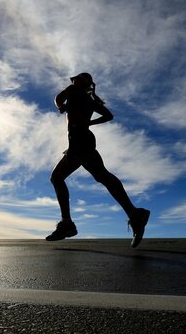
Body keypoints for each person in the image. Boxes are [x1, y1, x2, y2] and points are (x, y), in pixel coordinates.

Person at [46, 72, 150, 248]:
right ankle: (134, 214)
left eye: (76, 79)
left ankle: (67, 224)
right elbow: (109, 116)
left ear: (84, 82)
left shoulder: (74, 91)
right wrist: (88, 123)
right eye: (72, 80)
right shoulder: (89, 99)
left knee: (59, 177)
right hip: (80, 140)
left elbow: (58, 98)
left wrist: (61, 106)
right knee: (101, 176)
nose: (72, 81)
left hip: (80, 140)